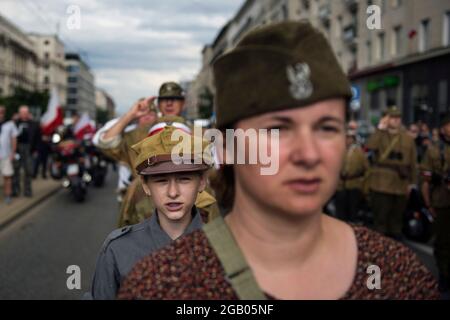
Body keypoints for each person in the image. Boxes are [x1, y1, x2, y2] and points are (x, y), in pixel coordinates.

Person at [117, 21, 438, 300]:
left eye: (327, 127)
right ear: (225, 147)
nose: (309, 154)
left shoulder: (397, 273)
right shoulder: (165, 285)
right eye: (276, 129)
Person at [90, 125, 212, 299]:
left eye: (184, 179)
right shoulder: (118, 249)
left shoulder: (230, 249)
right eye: (161, 181)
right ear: (146, 186)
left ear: (201, 183)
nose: (172, 192)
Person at [95, 83, 219, 226]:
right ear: (158, 104)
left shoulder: (200, 133)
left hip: (195, 214)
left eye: (175, 98)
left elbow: (215, 171)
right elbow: (106, 143)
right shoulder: (141, 132)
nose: (169, 103)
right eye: (164, 99)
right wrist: (131, 115)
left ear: (183, 103)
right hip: (145, 212)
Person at [366, 106, 418, 240]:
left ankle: (395, 256)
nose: (396, 120)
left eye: (398, 118)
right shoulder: (380, 135)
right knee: (380, 223)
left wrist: (412, 183)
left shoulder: (408, 139)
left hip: (400, 185)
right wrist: (379, 128)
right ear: (386, 119)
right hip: (381, 184)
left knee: (396, 224)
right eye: (392, 117)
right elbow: (370, 146)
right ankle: (379, 255)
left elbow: (413, 162)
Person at [421, 114, 450, 298]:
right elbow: (425, 179)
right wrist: (428, 203)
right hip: (442, 202)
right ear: (443, 128)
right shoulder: (434, 150)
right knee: (443, 243)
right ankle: (445, 277)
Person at [335, 129, 369, 222]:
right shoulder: (338, 151)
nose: (348, 140)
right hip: (340, 184)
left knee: (353, 211)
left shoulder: (359, 152)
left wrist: (363, 184)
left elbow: (366, 169)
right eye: (346, 138)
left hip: (354, 184)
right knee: (340, 211)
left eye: (350, 138)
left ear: (353, 139)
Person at [13, 106, 41, 197]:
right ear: (19, 114)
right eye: (22, 113)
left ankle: (27, 190)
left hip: (29, 148)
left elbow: (37, 138)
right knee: (16, 170)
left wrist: (36, 150)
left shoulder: (34, 124)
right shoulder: (15, 123)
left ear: (28, 113)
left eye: (25, 113)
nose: (24, 115)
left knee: (28, 171)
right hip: (17, 148)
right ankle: (16, 190)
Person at [0, 106, 18, 204]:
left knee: (7, 176)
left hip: (5, 155)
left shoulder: (9, 124)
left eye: (1, 112)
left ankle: (8, 195)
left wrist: (13, 152)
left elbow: (14, 139)